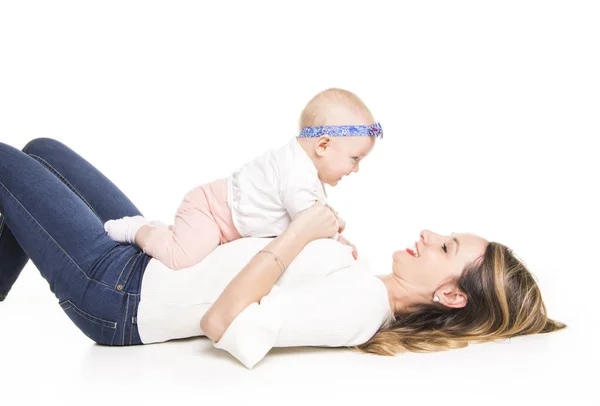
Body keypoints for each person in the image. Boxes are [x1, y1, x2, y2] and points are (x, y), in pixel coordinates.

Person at [0, 138, 565, 369]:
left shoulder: (361, 309)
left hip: (119, 294)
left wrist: (297, 237)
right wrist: (299, 236)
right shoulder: (357, 279)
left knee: (6, 163)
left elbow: (223, 323)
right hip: (152, 262)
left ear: (450, 294)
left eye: (445, 247)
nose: (428, 234)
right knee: (40, 152)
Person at [104, 88, 382, 270]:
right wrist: (336, 238)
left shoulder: (302, 168)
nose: (355, 169)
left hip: (222, 218)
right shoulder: (297, 174)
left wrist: (332, 222)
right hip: (210, 210)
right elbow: (308, 221)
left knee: (196, 247)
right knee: (182, 258)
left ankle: (166, 231)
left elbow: (311, 211)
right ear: (322, 146)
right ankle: (140, 230)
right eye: (355, 159)